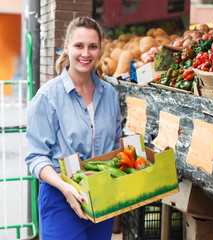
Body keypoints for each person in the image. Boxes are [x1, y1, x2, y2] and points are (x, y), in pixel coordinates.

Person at [25, 17, 122, 240]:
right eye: (79, 46)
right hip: (61, 198)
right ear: (66, 47)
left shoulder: (109, 95)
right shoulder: (47, 97)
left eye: (93, 47)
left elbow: (116, 143)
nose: (85, 53)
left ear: (100, 50)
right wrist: (65, 188)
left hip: (101, 197)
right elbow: (36, 158)